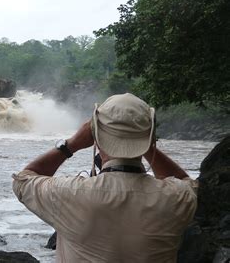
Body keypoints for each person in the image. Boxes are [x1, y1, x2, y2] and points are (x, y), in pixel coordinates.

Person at [12, 93, 197, 263]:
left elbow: (23, 180)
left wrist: (70, 145)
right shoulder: (177, 198)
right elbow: (186, 182)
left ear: (95, 136)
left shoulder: (67, 193)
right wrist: (146, 147)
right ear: (149, 137)